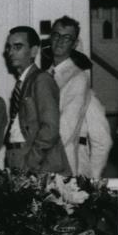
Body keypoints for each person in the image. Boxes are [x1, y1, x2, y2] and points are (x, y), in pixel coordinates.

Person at [2, 26, 70, 174]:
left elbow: (50, 128)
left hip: (35, 163)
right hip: (16, 157)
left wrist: (30, 162)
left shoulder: (41, 79)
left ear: (33, 51)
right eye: (9, 47)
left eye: (17, 47)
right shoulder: (23, 82)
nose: (11, 52)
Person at [47, 16, 92, 176]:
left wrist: (40, 152)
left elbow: (67, 127)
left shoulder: (77, 77)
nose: (60, 41)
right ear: (50, 37)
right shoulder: (44, 76)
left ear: (74, 44)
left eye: (67, 38)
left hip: (63, 158)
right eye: (56, 35)